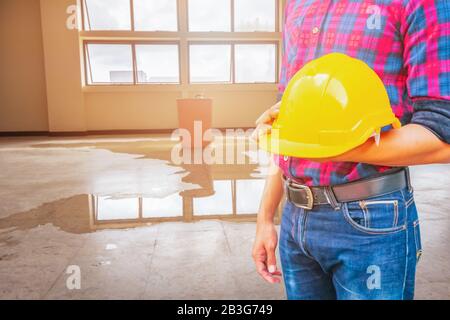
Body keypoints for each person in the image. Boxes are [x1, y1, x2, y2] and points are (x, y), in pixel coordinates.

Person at [252, 0, 450, 300]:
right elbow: (293, 127)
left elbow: (443, 133)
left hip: (372, 219)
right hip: (295, 217)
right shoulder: (296, 4)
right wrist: (265, 217)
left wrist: (334, 146)